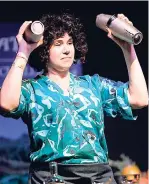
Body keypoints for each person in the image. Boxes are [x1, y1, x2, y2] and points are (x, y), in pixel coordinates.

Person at [0, 12, 148, 184]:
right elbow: (6, 103)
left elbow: (140, 98)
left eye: (70, 42)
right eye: (58, 43)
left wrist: (128, 48)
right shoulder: (32, 89)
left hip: (98, 177)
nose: (67, 49)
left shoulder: (93, 85)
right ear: (43, 49)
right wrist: (23, 52)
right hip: (51, 177)